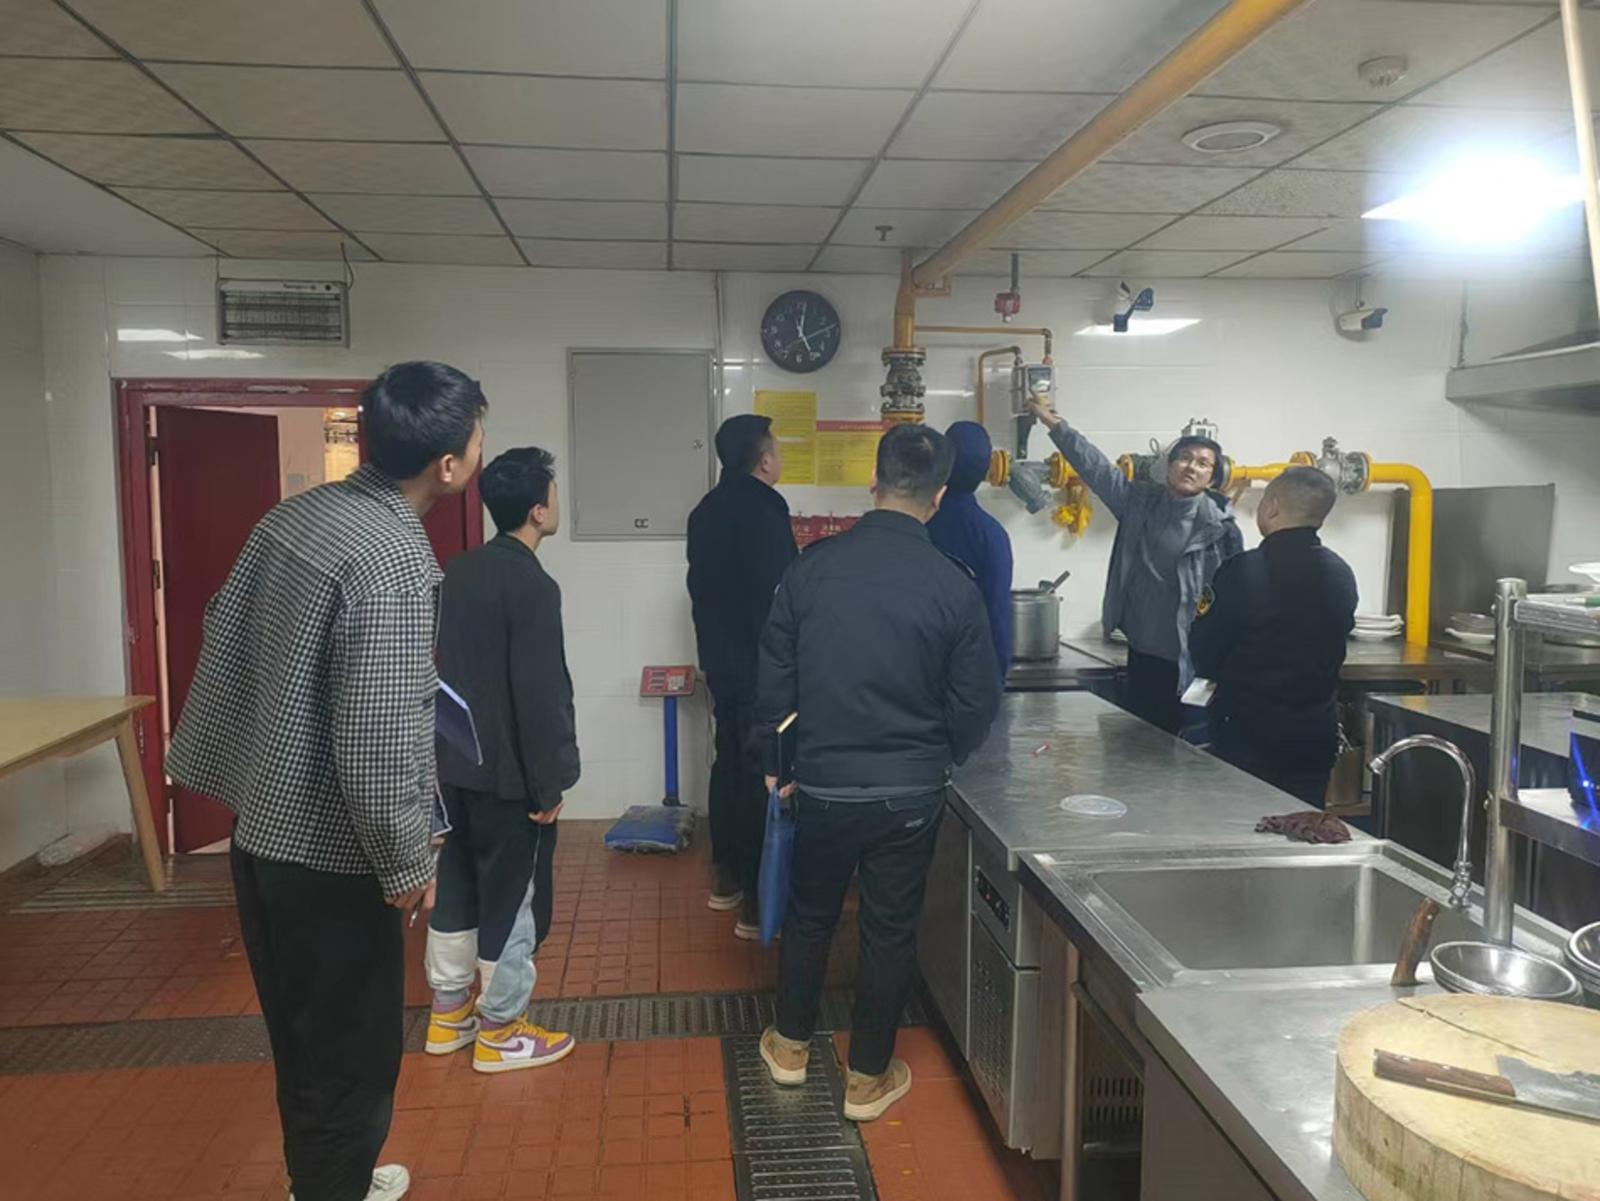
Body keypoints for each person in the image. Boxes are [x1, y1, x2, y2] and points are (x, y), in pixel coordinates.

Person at [167, 361, 485, 1201]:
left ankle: (327, 1179)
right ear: (448, 463)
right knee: (350, 1061)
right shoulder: (392, 558)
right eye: (477, 433)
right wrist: (407, 860)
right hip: (332, 857)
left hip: (263, 833)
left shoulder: (297, 517)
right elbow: (377, 738)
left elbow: (224, 629)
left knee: (304, 1043)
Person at [755, 423, 1002, 1124]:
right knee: (889, 930)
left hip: (823, 784)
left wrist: (778, 765)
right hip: (910, 793)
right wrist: (941, 754)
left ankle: (790, 1049)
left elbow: (774, 678)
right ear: (939, 496)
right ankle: (866, 1078)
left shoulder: (811, 569)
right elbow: (976, 703)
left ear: (874, 482)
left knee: (810, 916)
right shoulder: (954, 585)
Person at [424, 447, 578, 1073]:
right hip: (512, 777)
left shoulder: (457, 571)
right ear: (539, 511)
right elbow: (540, 694)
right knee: (512, 897)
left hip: (454, 764)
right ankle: (501, 1030)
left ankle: (448, 1013)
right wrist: (550, 784)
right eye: (553, 494)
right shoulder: (534, 586)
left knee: (457, 886)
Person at [1027, 394, 1242, 735]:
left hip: (1193, 664)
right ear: (1169, 465)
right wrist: (1055, 425)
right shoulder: (1138, 505)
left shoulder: (1221, 530)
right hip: (1141, 655)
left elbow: (1233, 603)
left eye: (1203, 463)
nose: (1191, 467)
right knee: (1139, 746)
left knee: (1188, 752)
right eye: (1185, 458)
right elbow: (1096, 469)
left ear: (1212, 478)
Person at [686, 413, 798, 937]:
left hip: (719, 661)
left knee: (727, 758)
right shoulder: (767, 510)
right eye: (776, 449)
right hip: (760, 665)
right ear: (763, 460)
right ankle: (757, 901)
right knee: (760, 771)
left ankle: (724, 879)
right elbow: (780, 596)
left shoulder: (704, 511)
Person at [1189, 467, 1358, 807]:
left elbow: (1205, 652)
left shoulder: (1241, 570)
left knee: (1240, 825)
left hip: (1247, 737)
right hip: (1313, 737)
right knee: (1299, 826)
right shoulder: (1340, 572)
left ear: (1273, 507)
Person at [926, 420, 1014, 678]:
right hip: (967, 674)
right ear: (986, 469)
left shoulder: (918, 521)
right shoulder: (991, 536)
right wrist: (995, 681)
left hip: (915, 670)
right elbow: (998, 617)